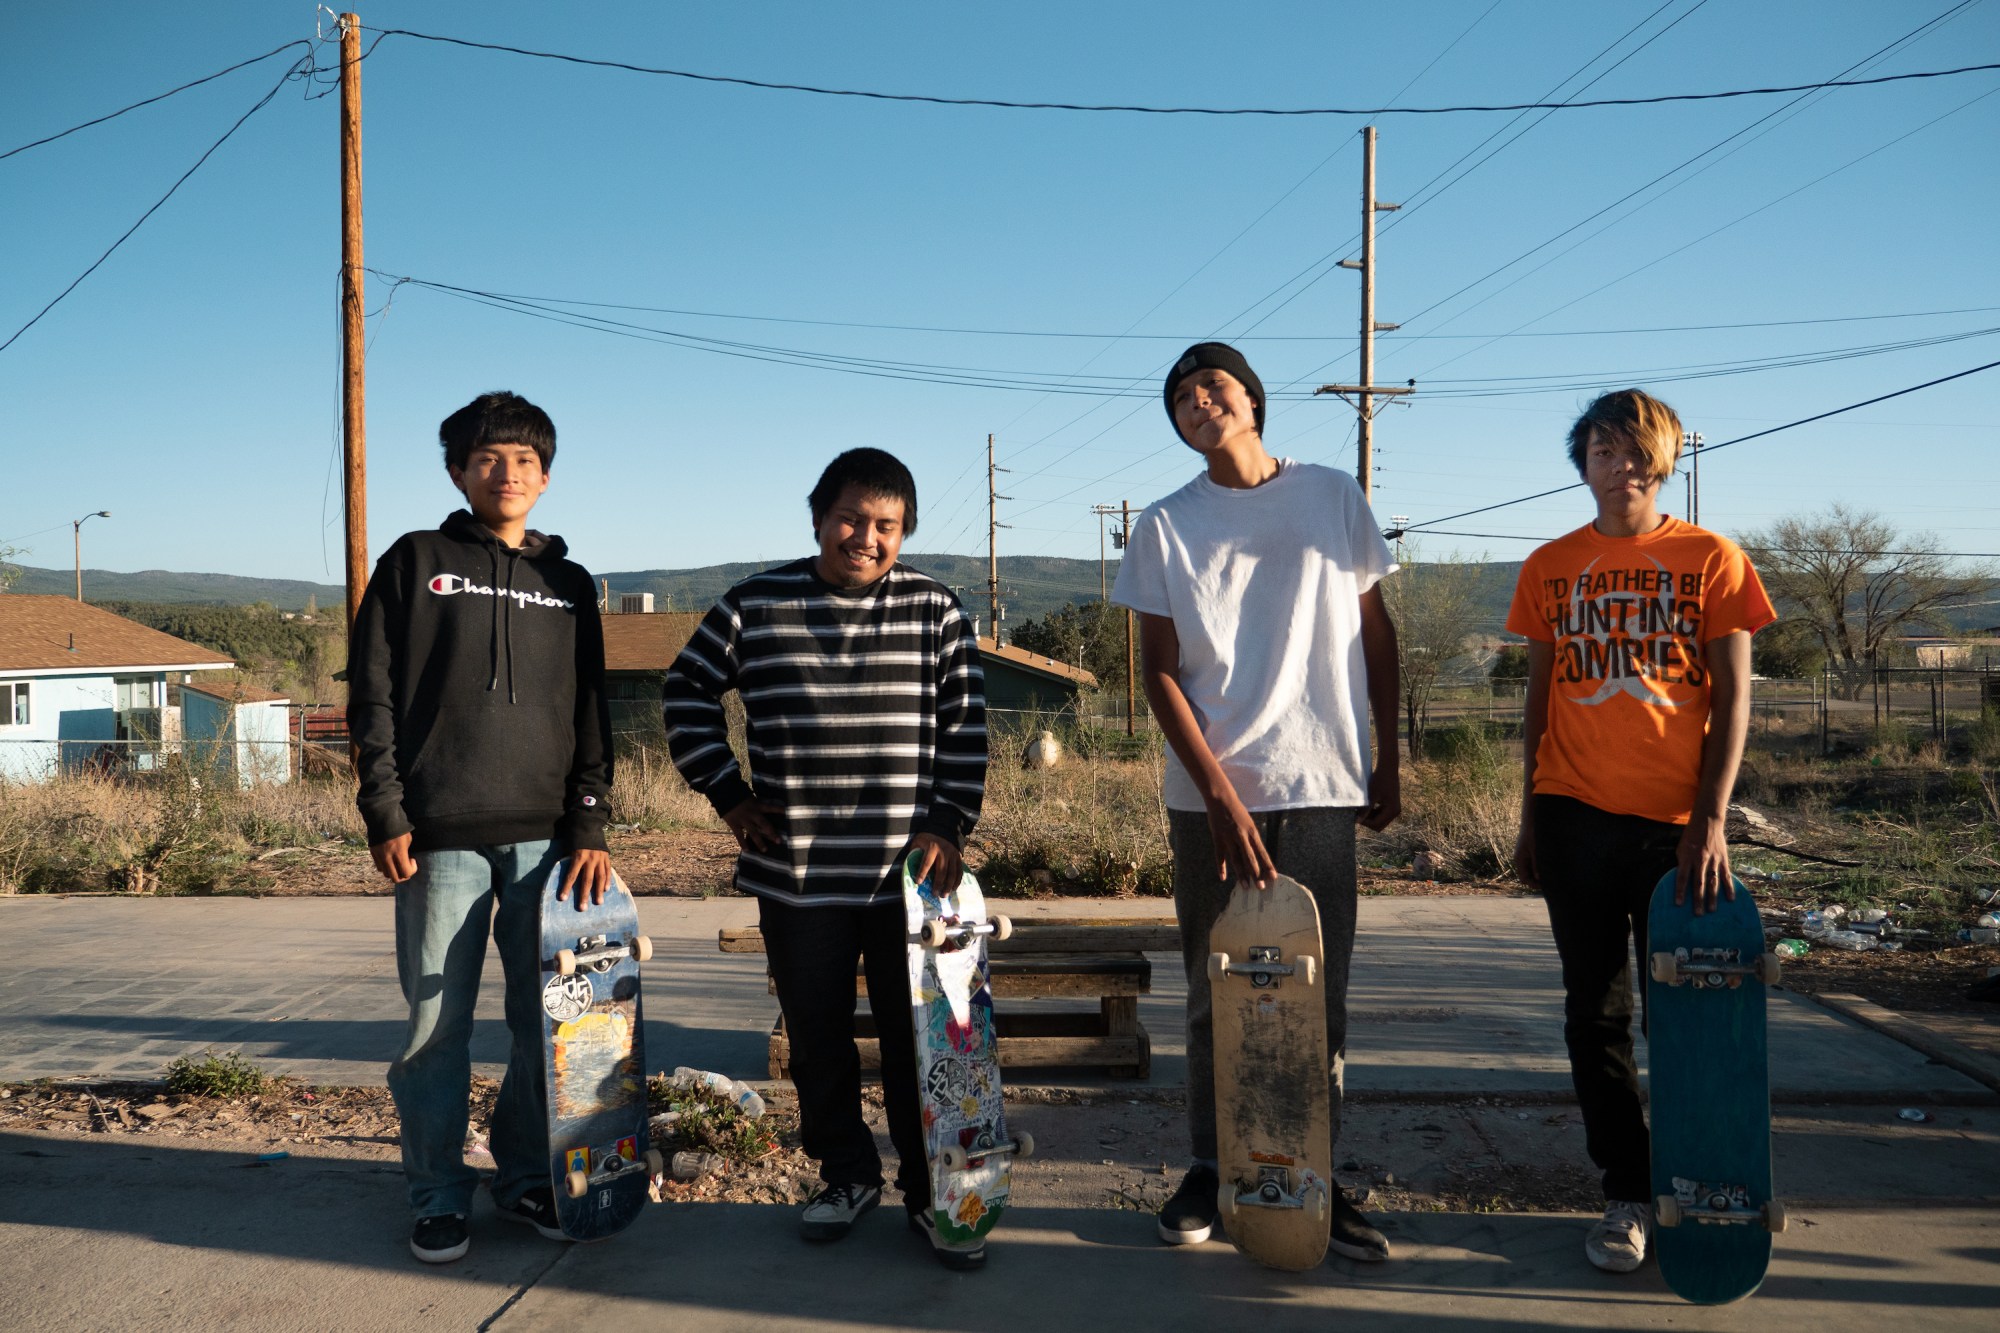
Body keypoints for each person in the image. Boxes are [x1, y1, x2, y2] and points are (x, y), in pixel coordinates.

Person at [1112, 341, 1402, 1262]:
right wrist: (1219, 793)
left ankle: (1314, 1172)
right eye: (1182, 398)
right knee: (1216, 984)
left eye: (1215, 385)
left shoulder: (1331, 496)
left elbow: (1376, 631)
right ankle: (1214, 1163)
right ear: (1178, 426)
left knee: (1317, 993)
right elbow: (1159, 676)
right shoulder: (1164, 524)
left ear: (1251, 398)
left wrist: (1386, 755)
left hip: (1318, 781)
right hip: (1208, 796)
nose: (1200, 400)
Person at [662, 448, 988, 1269]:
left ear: (904, 531)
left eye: (885, 525)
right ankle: (846, 1173)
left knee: (924, 1043)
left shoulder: (935, 611)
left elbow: (966, 727)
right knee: (816, 1043)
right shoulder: (753, 605)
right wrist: (729, 795)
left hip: (913, 887)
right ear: (818, 517)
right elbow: (685, 691)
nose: (865, 538)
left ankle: (932, 1190)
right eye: (850, 518)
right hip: (798, 876)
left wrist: (949, 824)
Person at [1506, 388, 1774, 1274]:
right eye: (1599, 451)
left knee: (1690, 1013)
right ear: (1581, 464)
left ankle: (1705, 1179)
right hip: (1572, 815)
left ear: (1663, 460)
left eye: (1631, 451)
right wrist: (1527, 816)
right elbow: (1540, 697)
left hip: (1675, 828)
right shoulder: (1550, 566)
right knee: (1597, 1015)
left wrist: (1710, 818)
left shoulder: (1711, 558)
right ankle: (1627, 1191)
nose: (1616, 466)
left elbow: (1733, 697)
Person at [349, 390, 615, 1264]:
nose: (509, 474)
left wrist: (590, 824)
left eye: (526, 461)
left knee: (550, 1025)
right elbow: (373, 694)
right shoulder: (415, 561)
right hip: (437, 838)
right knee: (436, 1028)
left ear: (546, 475)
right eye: (489, 458)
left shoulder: (570, 584)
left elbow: (592, 714)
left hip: (548, 842)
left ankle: (525, 1176)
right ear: (459, 469)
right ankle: (436, 1193)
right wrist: (386, 809)